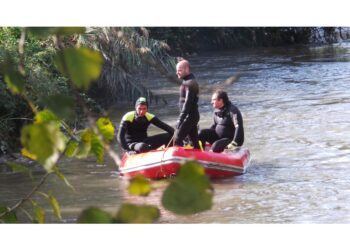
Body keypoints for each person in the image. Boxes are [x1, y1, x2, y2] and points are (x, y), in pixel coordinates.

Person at [174, 59, 200, 149]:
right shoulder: (186, 81)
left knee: (177, 139)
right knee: (195, 141)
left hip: (190, 117)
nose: (177, 72)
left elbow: (188, 103)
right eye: (176, 70)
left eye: (179, 70)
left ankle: (179, 162)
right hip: (190, 116)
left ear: (187, 69)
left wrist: (180, 119)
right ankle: (200, 159)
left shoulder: (190, 83)